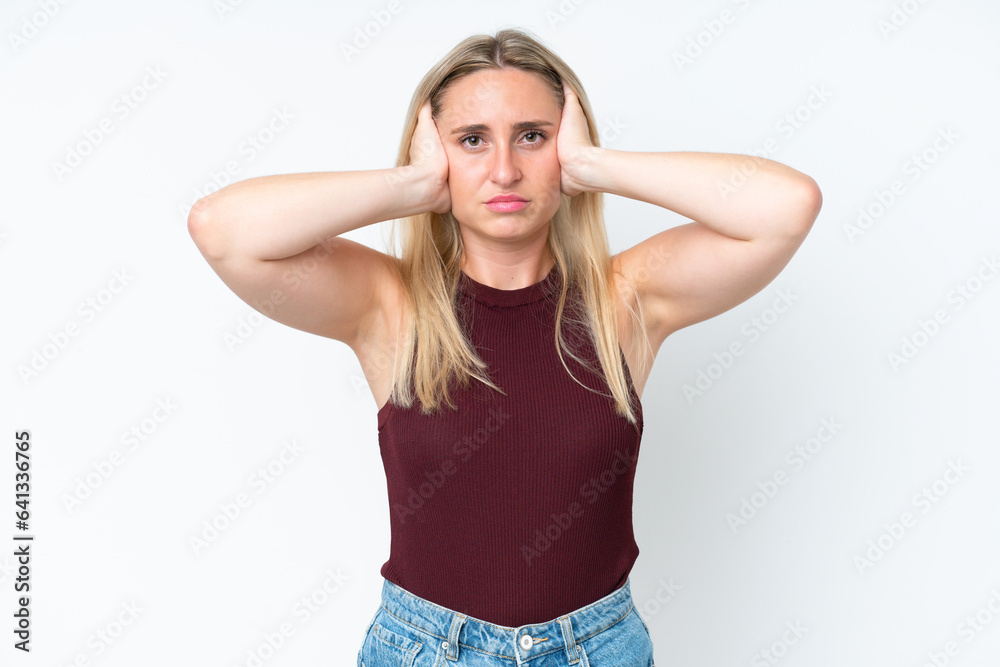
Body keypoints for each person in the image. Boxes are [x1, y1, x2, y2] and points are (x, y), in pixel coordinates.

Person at [188, 26, 821, 667]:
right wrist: (411, 186)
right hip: (427, 650)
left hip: (596, 649)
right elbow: (223, 231)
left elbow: (787, 206)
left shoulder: (625, 300)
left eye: (532, 136)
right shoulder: (389, 305)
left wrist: (594, 167)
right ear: (435, 152)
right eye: (471, 141)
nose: (504, 170)